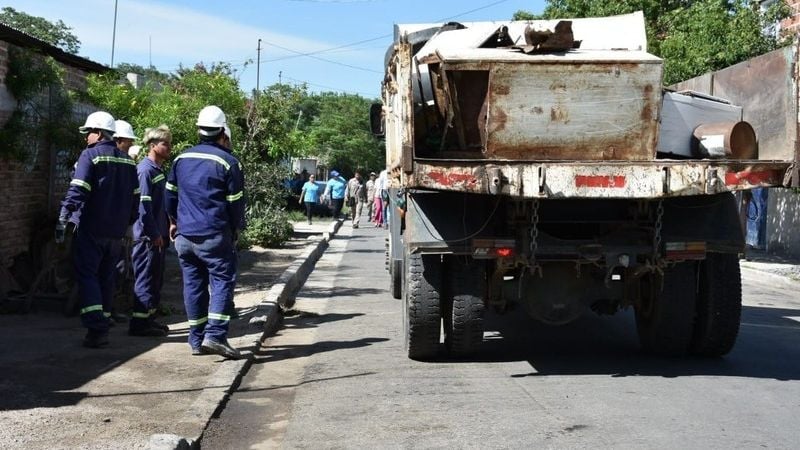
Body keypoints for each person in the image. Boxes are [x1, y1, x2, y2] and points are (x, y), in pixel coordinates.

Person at [166, 105, 246, 359]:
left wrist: (174, 221)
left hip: (184, 237)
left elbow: (169, 195)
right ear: (223, 132)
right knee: (222, 281)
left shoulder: (181, 159)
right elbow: (235, 203)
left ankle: (196, 339)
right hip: (214, 235)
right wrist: (236, 229)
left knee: (193, 285)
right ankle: (216, 335)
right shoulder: (229, 162)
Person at [56, 111, 139, 348]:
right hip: (116, 233)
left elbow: (78, 189)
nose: (86, 138)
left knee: (88, 276)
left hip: (92, 229)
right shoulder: (127, 161)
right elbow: (136, 200)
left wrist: (64, 215)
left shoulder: (90, 155)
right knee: (106, 277)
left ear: (99, 133)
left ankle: (96, 328)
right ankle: (104, 318)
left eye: (89, 132)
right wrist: (126, 222)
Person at [129, 125, 173, 338]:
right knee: (145, 279)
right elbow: (143, 208)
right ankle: (139, 324)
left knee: (155, 280)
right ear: (153, 146)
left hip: (159, 236)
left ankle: (149, 319)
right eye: (165, 144)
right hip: (148, 237)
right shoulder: (145, 170)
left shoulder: (157, 170)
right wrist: (154, 233)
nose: (169, 148)